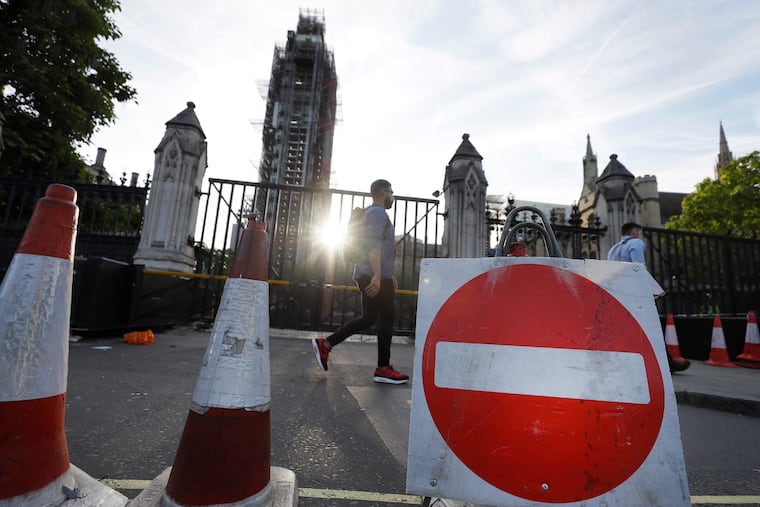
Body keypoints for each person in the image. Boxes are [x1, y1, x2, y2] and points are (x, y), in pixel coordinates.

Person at [312, 179, 409, 384]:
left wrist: (387, 274)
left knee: (369, 318)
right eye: (392, 192)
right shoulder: (377, 213)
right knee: (388, 318)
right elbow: (374, 247)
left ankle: (326, 344)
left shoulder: (371, 214)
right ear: (383, 193)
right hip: (374, 276)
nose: (393, 196)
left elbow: (374, 247)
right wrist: (378, 275)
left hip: (374, 274)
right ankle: (383, 368)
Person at [608, 222, 691, 373]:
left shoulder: (613, 249)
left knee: (623, 326)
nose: (639, 235)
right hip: (634, 291)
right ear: (634, 232)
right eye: (638, 232)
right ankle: (667, 363)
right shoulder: (636, 243)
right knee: (652, 324)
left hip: (617, 291)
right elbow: (639, 267)